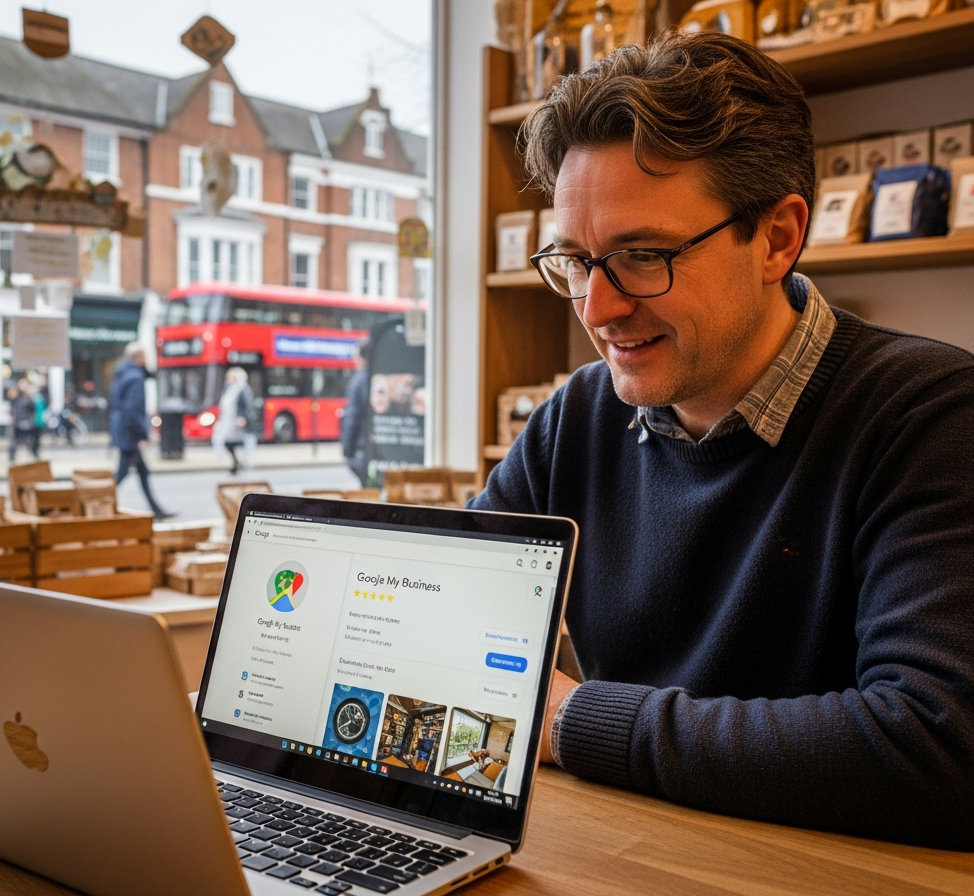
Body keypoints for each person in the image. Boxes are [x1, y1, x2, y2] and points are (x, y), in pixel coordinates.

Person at [472, 32, 974, 849]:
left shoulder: (930, 415)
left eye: (642, 256)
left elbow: (936, 746)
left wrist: (571, 720)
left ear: (777, 238)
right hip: (625, 855)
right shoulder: (577, 416)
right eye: (575, 260)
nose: (598, 310)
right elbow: (447, 627)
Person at [109, 343, 171, 519]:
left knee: (142, 472)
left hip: (124, 430)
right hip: (130, 433)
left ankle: (157, 510)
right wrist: (143, 434)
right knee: (121, 474)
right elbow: (133, 409)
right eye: (145, 357)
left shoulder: (122, 374)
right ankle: (96, 500)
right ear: (139, 358)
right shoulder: (135, 378)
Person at [213, 367, 255, 475]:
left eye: (230, 377)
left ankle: (240, 462)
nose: (227, 379)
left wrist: (242, 417)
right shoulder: (229, 389)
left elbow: (247, 405)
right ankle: (237, 462)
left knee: (237, 442)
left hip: (237, 422)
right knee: (228, 442)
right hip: (228, 421)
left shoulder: (243, 389)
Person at [340, 344, 371, 486]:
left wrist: (347, 449)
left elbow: (352, 417)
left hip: (361, 447)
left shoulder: (358, 380)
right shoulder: (375, 376)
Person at [8, 378, 38, 461]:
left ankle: (33, 455)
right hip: (18, 422)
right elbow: (12, 408)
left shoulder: (29, 397)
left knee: (31, 441)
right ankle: (12, 458)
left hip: (27, 422)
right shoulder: (16, 396)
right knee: (14, 441)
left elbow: (33, 409)